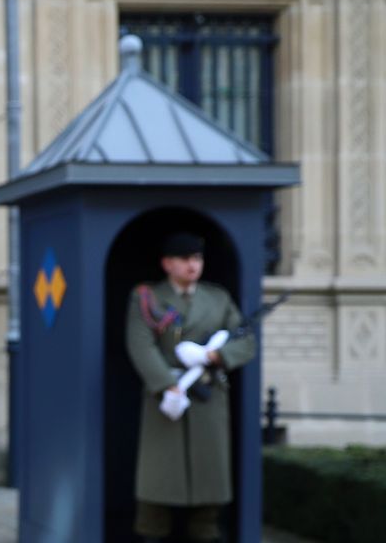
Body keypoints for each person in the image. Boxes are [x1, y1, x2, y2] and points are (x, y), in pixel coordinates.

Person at [124, 233, 255, 543]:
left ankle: (205, 530)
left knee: (208, 479)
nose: (192, 265)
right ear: (167, 264)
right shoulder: (148, 298)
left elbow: (245, 341)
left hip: (208, 396)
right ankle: (152, 532)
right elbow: (141, 345)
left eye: (197, 258)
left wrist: (213, 356)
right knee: (158, 480)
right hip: (168, 396)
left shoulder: (218, 298)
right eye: (184, 259)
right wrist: (167, 385)